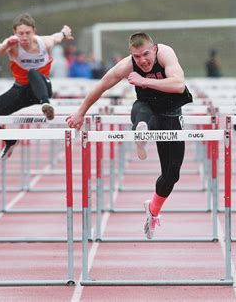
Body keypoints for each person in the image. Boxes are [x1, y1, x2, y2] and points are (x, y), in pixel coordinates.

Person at [66, 32, 193, 240]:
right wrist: (81, 112)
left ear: (154, 49)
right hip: (146, 108)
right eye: (136, 57)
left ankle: (153, 209)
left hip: (171, 112)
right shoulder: (127, 65)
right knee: (142, 115)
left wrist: (144, 80)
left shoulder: (165, 54)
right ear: (131, 55)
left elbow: (178, 84)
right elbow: (102, 85)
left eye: (145, 54)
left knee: (172, 175)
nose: (142, 60)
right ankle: (141, 132)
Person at [0, 13, 73, 159]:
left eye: (28, 33)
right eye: (21, 33)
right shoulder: (12, 45)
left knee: (33, 73)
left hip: (41, 89)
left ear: (34, 31)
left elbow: (56, 37)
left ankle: (46, 105)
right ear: (15, 32)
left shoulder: (43, 43)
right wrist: (6, 44)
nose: (24, 37)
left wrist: (64, 33)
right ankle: (10, 140)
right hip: (21, 91)